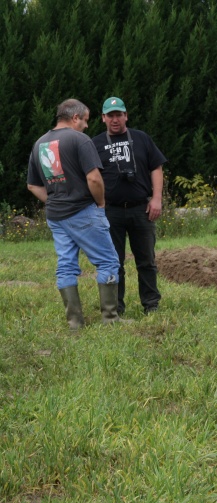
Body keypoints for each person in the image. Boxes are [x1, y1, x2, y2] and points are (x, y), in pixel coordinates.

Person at [27, 99, 123, 329]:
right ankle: (110, 319)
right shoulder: (80, 140)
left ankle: (75, 323)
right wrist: (100, 203)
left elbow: (32, 185)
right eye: (86, 120)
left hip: (56, 216)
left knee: (66, 265)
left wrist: (55, 202)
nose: (87, 126)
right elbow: (93, 178)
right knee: (109, 261)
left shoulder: (40, 143)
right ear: (75, 117)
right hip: (83, 211)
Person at [92, 96, 167, 315]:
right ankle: (117, 307)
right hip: (110, 211)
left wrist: (156, 198)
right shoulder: (95, 143)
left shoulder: (141, 138)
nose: (115, 120)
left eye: (119, 115)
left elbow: (156, 167)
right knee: (114, 262)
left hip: (140, 209)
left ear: (126, 116)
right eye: (110, 116)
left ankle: (151, 304)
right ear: (103, 118)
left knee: (146, 260)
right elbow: (90, 175)